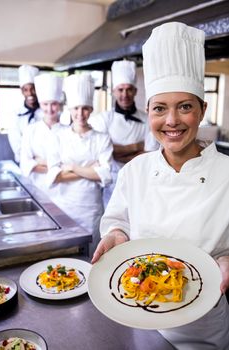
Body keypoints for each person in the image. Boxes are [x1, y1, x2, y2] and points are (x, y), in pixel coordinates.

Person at [92, 22, 229, 349]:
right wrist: (116, 235)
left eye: (185, 106)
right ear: (148, 111)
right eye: (159, 108)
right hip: (139, 314)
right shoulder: (134, 171)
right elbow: (118, 221)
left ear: (202, 111)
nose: (171, 121)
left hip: (204, 327)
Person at [46, 73, 113, 256]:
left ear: (91, 110)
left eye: (85, 108)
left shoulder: (102, 138)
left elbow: (105, 175)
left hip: (91, 208)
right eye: (76, 108)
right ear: (69, 109)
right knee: (65, 257)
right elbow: (55, 175)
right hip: (64, 206)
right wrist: (92, 169)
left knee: (92, 257)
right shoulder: (58, 137)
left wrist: (72, 167)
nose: (80, 114)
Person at [89, 60, 159, 207]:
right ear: (114, 91)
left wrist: (118, 150)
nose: (125, 94)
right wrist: (136, 147)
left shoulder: (149, 119)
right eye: (120, 90)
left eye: (129, 89)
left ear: (135, 91)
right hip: (112, 186)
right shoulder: (103, 119)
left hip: (140, 183)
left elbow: (150, 155)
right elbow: (106, 153)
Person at [20, 73, 63, 196]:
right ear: (40, 104)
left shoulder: (68, 131)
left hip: (62, 190)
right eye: (45, 104)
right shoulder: (30, 130)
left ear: (59, 104)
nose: (49, 109)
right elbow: (25, 164)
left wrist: (39, 161)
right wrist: (56, 166)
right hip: (37, 188)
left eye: (54, 104)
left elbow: (71, 163)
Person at [8, 64, 43, 164]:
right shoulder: (15, 115)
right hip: (23, 164)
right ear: (21, 91)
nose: (30, 93)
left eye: (33, 89)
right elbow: (16, 144)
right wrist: (29, 161)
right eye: (26, 90)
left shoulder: (46, 113)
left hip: (45, 163)